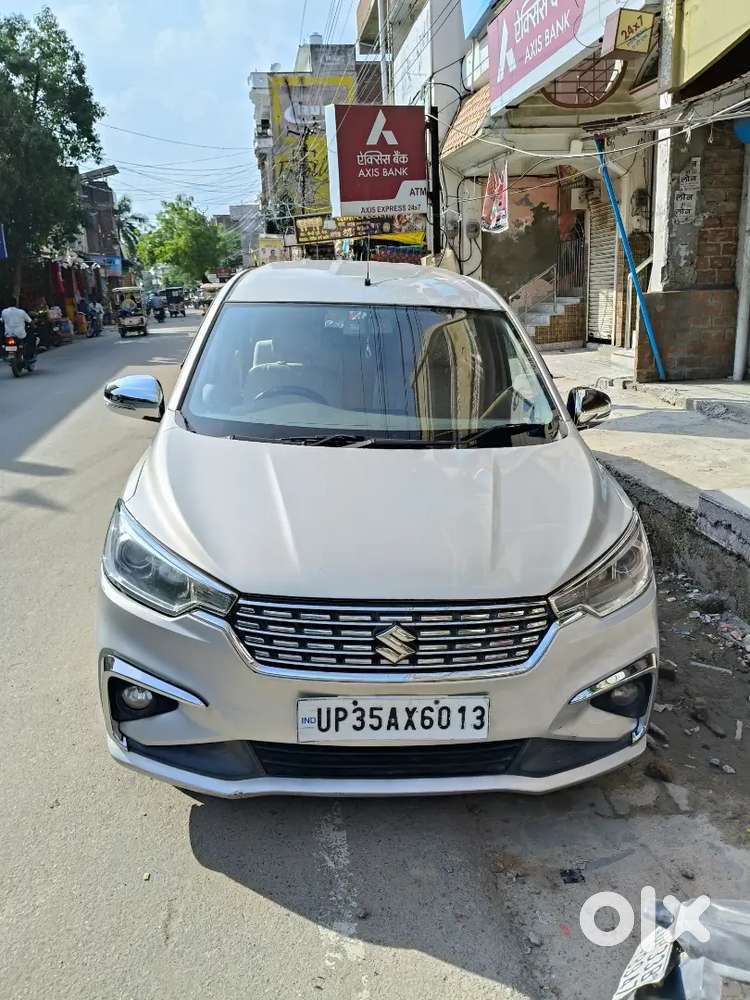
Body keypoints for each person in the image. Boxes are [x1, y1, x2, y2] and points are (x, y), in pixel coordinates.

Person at [1, 297, 35, 363]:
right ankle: (29, 357)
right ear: (16, 303)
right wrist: (34, 326)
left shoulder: (4, 312)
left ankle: (8, 354)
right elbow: (30, 321)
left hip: (8, 334)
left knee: (5, 343)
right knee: (32, 339)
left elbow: (2, 320)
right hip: (20, 334)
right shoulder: (21, 312)